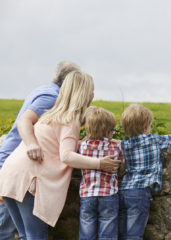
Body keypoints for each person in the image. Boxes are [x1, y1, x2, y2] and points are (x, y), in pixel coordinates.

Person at [0, 71, 121, 239]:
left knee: (24, 235)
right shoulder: (71, 120)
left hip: (10, 175)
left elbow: (54, 144)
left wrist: (79, 143)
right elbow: (67, 156)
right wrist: (100, 163)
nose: (93, 94)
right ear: (84, 94)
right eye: (91, 90)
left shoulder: (50, 115)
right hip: (30, 180)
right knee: (36, 236)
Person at [0, 61, 80, 240]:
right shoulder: (52, 98)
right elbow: (24, 121)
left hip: (13, 165)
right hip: (23, 166)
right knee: (8, 231)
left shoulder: (42, 90)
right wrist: (31, 144)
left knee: (21, 233)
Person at [118, 104, 171, 240]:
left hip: (124, 190)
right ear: (145, 127)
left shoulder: (124, 143)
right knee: (134, 233)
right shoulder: (154, 140)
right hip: (141, 192)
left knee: (123, 231)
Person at [78, 106, 122, 240]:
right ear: (108, 132)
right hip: (108, 194)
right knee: (108, 231)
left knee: (86, 230)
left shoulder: (82, 146)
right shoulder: (115, 147)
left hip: (87, 194)